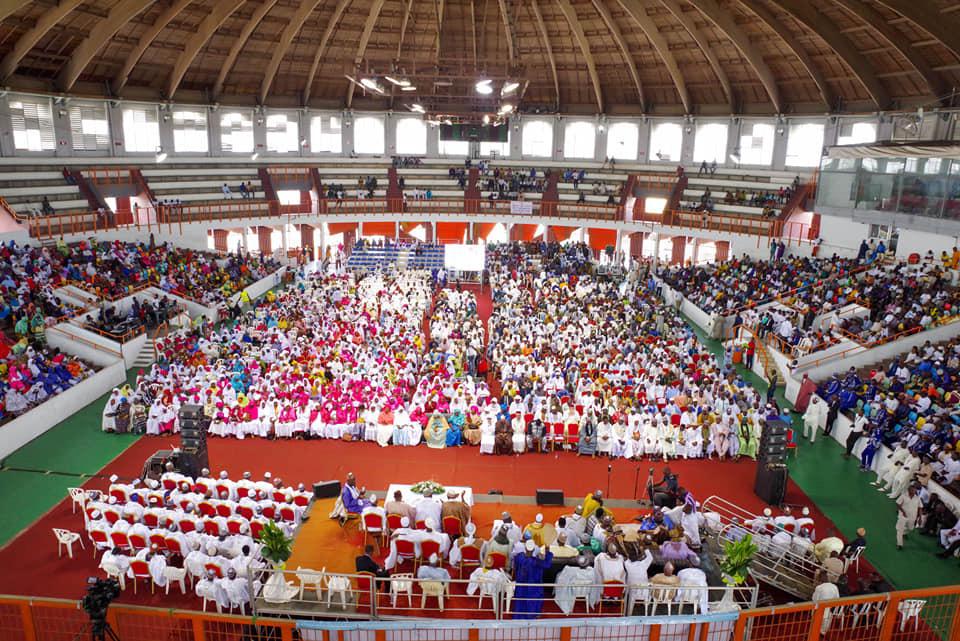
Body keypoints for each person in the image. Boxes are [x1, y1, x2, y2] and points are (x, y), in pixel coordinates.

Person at [511, 541, 554, 619]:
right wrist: (547, 550)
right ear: (534, 549)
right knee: (533, 603)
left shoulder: (519, 557)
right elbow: (548, 564)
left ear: (525, 548)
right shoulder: (537, 562)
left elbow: (514, 566)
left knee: (520, 603)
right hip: (534, 588)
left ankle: (518, 618)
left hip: (521, 587)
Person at [895, 485, 922, 550]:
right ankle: (899, 544)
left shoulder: (917, 498)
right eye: (912, 490)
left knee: (910, 528)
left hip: (912, 517)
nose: (914, 491)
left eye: (915, 490)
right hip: (903, 516)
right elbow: (898, 503)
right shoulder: (903, 496)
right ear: (909, 490)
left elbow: (920, 507)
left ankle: (904, 533)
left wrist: (920, 518)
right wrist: (902, 511)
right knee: (899, 530)